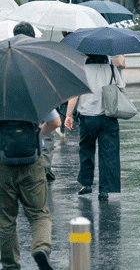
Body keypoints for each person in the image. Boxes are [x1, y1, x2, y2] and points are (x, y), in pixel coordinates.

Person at [0, 110, 60, 270]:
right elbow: (55, 122)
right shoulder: (35, 90)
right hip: (32, 160)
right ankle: (41, 247)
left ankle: (9, 265)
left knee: (6, 219)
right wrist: (37, 134)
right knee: (39, 213)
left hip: (3, 162)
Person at [65, 55, 125, 200]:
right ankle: (105, 189)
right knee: (109, 152)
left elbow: (74, 95)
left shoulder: (82, 70)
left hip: (87, 116)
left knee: (86, 150)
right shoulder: (111, 68)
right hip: (108, 116)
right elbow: (121, 87)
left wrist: (68, 115)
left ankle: (86, 184)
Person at [11, 23, 57, 183]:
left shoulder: (6, 58)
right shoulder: (40, 59)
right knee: (36, 206)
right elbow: (55, 122)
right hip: (33, 148)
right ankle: (46, 168)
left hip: (6, 149)